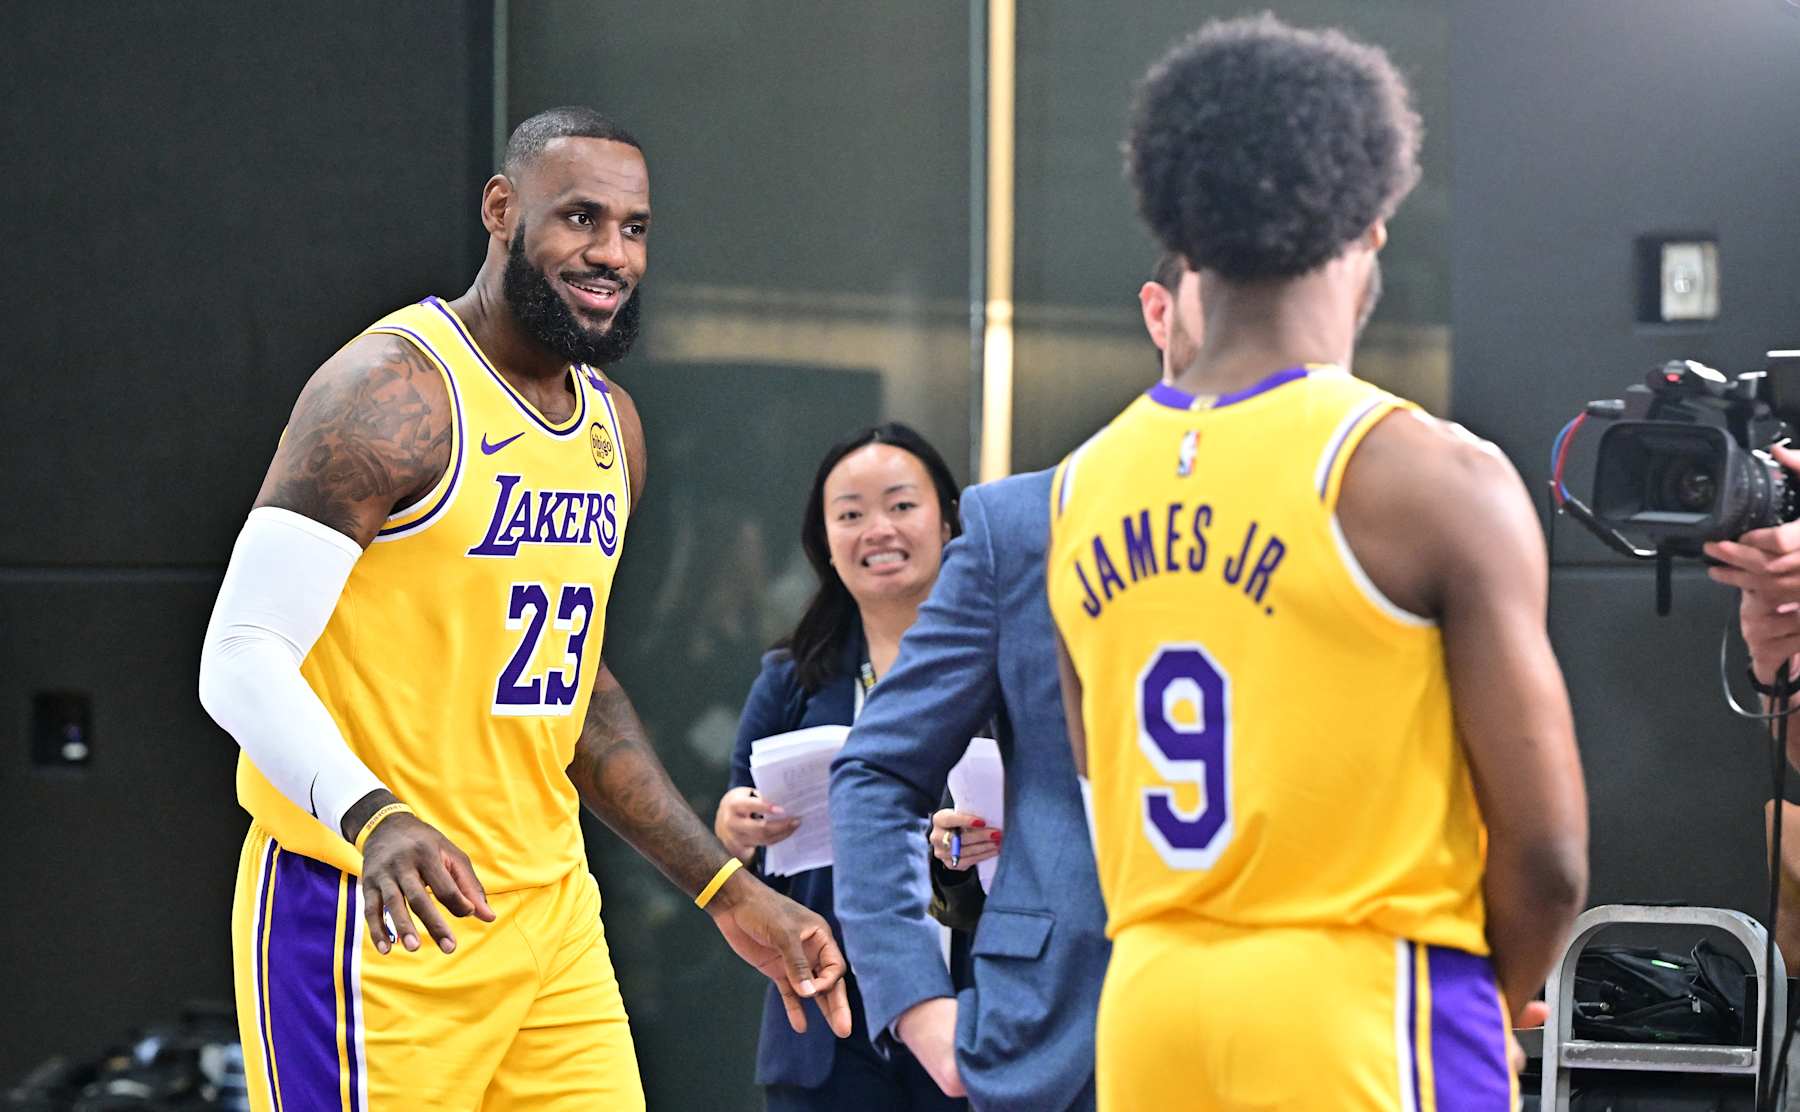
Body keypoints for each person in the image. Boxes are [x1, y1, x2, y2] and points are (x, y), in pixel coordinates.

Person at [197, 106, 849, 1112]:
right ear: (502, 209)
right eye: (580, 218)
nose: (611, 253)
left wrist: (726, 885)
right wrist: (371, 815)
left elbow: (571, 694)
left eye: (634, 228)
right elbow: (240, 653)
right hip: (378, 913)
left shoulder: (610, 429)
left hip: (548, 915)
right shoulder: (390, 391)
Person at [1047, 16, 1589, 1109]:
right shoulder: (1428, 475)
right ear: (1373, 220)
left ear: (1180, 232)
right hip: (1359, 999)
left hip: (1150, 995)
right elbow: (1549, 857)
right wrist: (1489, 1005)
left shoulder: (1077, 487)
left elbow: (1103, 796)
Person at [828, 252, 1197, 1112]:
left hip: (1289, 1023)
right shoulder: (1024, 522)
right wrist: (918, 1004)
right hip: (1055, 1024)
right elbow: (878, 770)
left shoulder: (1350, 513)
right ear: (1160, 313)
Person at [715, 422, 968, 1112]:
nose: (877, 529)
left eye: (901, 505)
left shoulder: (1002, 668)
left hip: (972, 1003)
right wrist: (737, 828)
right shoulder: (790, 679)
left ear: (947, 519)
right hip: (827, 1019)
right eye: (851, 515)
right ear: (825, 541)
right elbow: (735, 834)